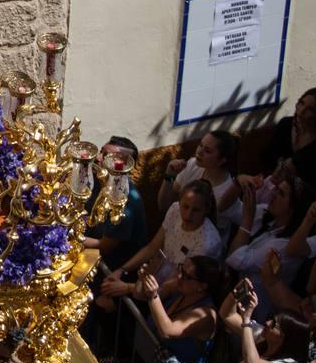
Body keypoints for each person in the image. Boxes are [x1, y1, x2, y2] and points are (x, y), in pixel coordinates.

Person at [98, 180, 222, 311]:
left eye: (196, 210)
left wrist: (128, 288)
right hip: (154, 275)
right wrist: (121, 270)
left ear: (206, 210)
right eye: (185, 207)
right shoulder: (175, 210)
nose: (188, 214)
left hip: (174, 292)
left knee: (110, 306)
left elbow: (177, 284)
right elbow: (152, 247)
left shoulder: (206, 243)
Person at [227, 176, 311, 320]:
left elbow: (235, 261)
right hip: (234, 299)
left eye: (281, 194)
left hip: (253, 313)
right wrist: (237, 183)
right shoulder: (267, 214)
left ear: (294, 208)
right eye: (276, 190)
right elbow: (227, 210)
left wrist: (247, 220)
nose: (273, 194)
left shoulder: (284, 245)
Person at [84, 136, 148, 271]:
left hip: (111, 269)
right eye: (101, 152)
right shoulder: (97, 180)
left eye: (106, 156)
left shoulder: (125, 203)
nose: (98, 157)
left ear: (123, 166)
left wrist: (66, 237)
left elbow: (103, 247)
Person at [161, 131, 242, 235]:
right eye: (200, 145)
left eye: (207, 151)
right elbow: (164, 205)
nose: (199, 152)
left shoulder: (227, 192)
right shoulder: (192, 165)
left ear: (222, 160)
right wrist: (169, 175)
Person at [267, 88, 316, 194]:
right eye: (301, 103)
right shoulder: (285, 125)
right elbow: (269, 157)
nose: (301, 111)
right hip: (272, 190)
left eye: (310, 109)